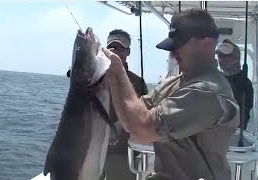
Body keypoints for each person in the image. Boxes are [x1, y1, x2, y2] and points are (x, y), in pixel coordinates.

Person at [102, 9, 240, 180]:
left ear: (207, 44)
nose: (173, 54)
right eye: (172, 48)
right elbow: (136, 113)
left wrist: (118, 73)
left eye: (179, 46)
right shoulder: (175, 82)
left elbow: (142, 129)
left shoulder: (207, 91)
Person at [103, 29, 148, 180]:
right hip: (93, 148)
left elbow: (143, 115)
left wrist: (119, 126)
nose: (115, 51)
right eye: (112, 47)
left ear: (128, 52)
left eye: (121, 48)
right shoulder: (94, 78)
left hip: (122, 153)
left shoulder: (137, 82)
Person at [217, 39, 254, 131]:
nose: (221, 59)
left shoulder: (245, 84)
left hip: (233, 135)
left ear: (237, 58)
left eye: (227, 56)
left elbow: (242, 116)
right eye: (220, 55)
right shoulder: (215, 79)